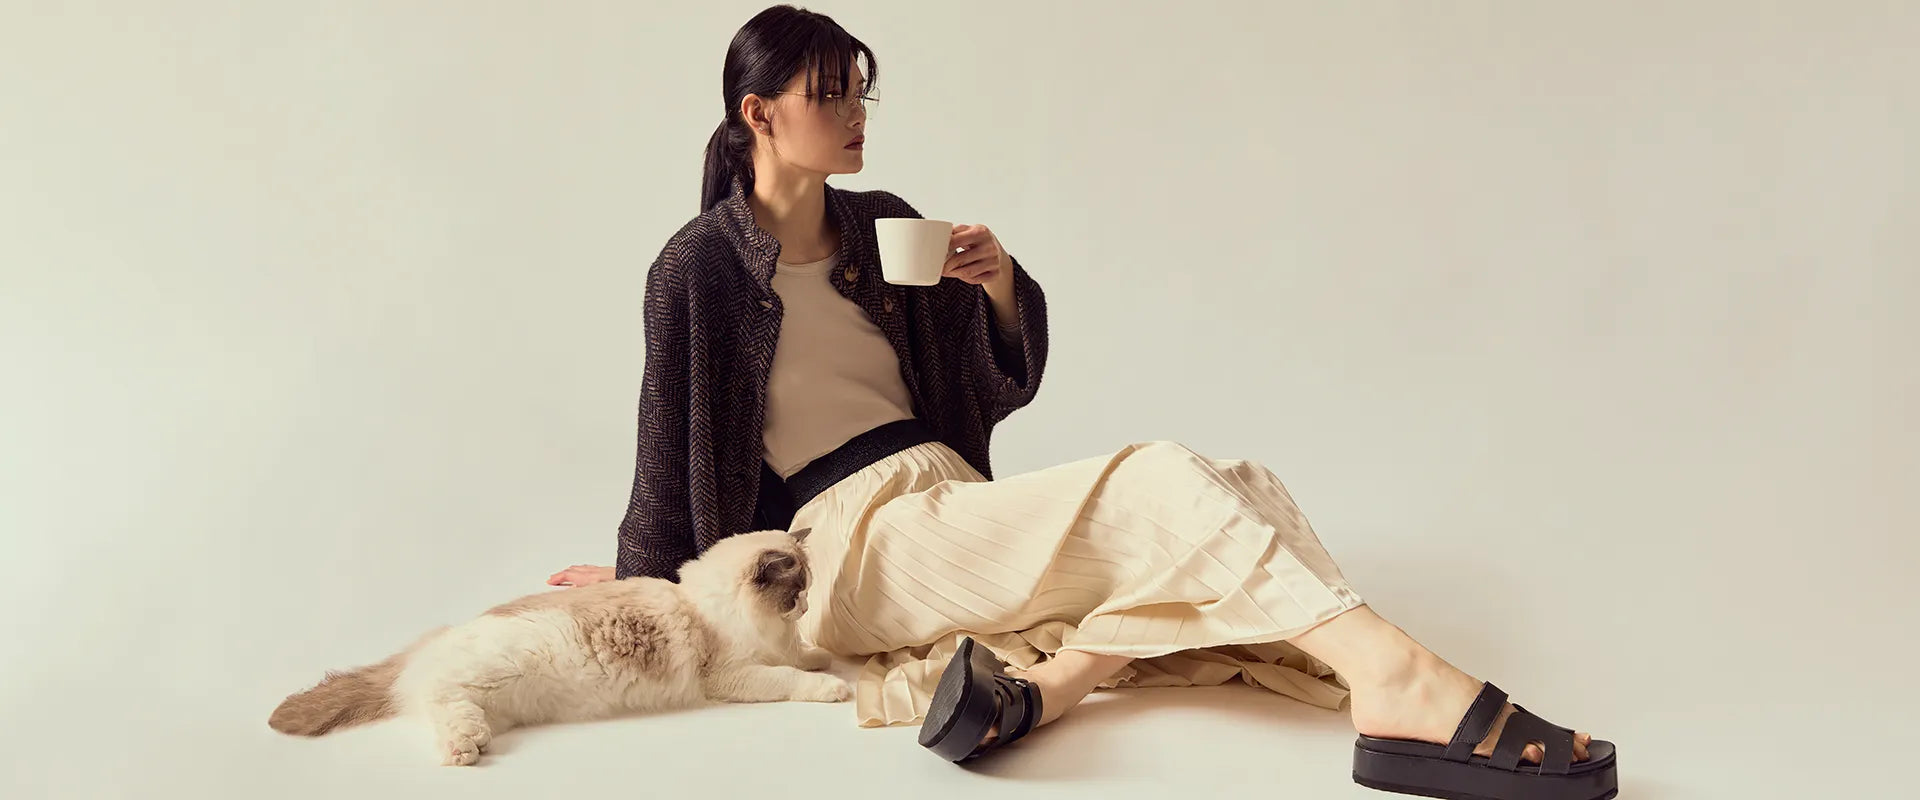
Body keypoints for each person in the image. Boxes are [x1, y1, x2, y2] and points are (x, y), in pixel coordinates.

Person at [547, 6, 1616, 799]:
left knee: (1242, 483)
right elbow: (664, 444)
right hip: (843, 542)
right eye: (829, 93)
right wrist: (641, 578)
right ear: (759, 113)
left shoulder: (882, 225)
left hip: (943, 495)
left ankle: (1047, 691)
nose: (855, 111)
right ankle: (1401, 679)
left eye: (860, 89)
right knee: (1158, 481)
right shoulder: (695, 269)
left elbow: (981, 382)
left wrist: (999, 286)